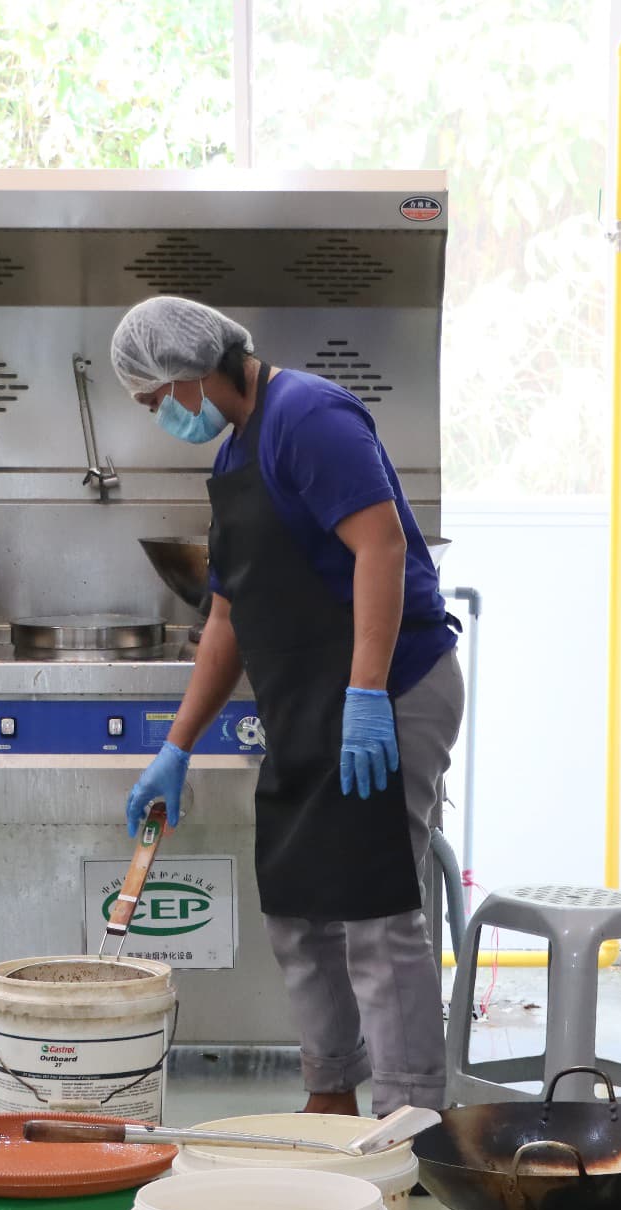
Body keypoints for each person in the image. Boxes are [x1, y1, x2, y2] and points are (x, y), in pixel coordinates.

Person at [110, 296, 464, 1117]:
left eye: (155, 400)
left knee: (374, 911)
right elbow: (227, 617)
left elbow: (381, 546)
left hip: (390, 692)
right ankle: (330, 1094)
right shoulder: (237, 452)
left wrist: (367, 694)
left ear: (189, 374)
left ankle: (409, 1117)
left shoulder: (309, 415)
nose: (160, 416)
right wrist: (177, 747)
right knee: (298, 910)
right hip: (305, 708)